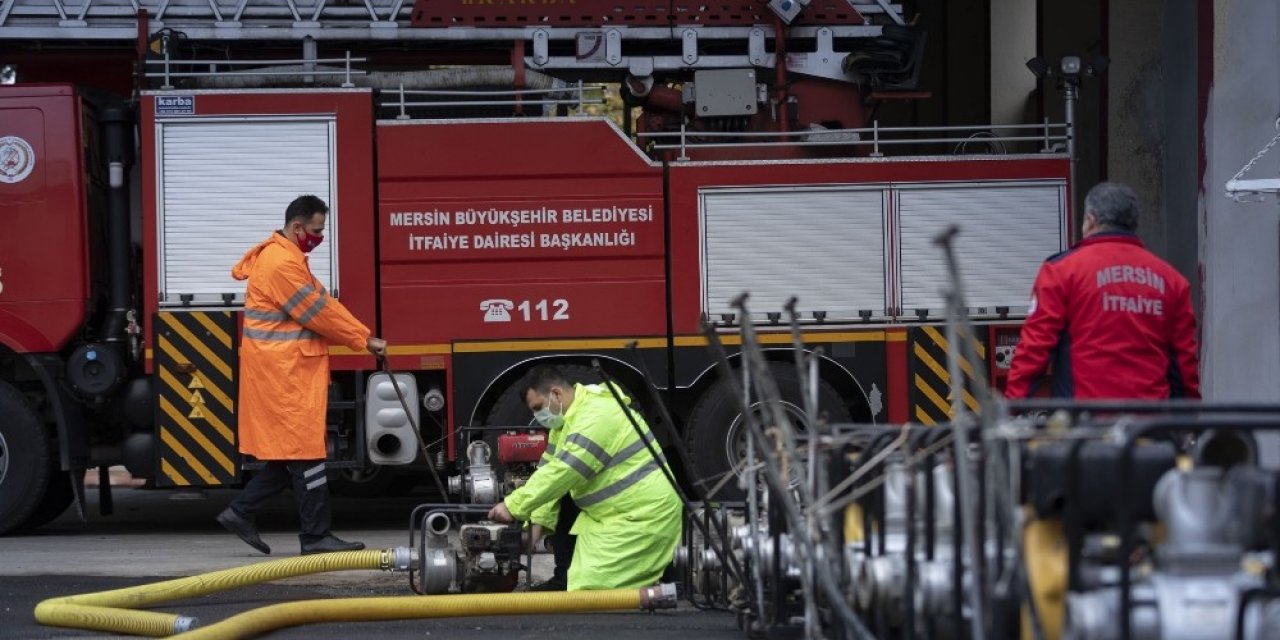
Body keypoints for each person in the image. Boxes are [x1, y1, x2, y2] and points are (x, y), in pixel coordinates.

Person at [217, 195, 388, 555]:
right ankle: (315, 536)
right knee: (307, 456)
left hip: (287, 373)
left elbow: (326, 304)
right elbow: (317, 313)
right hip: (286, 377)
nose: (319, 237)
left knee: (291, 457)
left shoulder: (290, 259)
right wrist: (363, 340)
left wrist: (363, 335)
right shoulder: (281, 265)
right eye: (316, 230)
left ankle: (241, 512)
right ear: (297, 227)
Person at [487, 365, 682, 591]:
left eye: (538, 408)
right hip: (615, 513)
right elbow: (548, 472)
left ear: (556, 394)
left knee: (587, 590)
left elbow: (565, 471)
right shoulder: (566, 423)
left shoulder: (596, 414)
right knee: (579, 583)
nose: (537, 417)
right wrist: (536, 526)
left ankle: (668, 583)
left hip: (643, 516)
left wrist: (513, 506)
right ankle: (564, 579)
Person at [1005, 181, 1201, 400]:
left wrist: (1012, 405)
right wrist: (1187, 415)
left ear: (1090, 220)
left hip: (1084, 417)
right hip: (1149, 418)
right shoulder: (1172, 282)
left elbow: (1035, 349)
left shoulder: (1061, 271)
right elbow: (1183, 367)